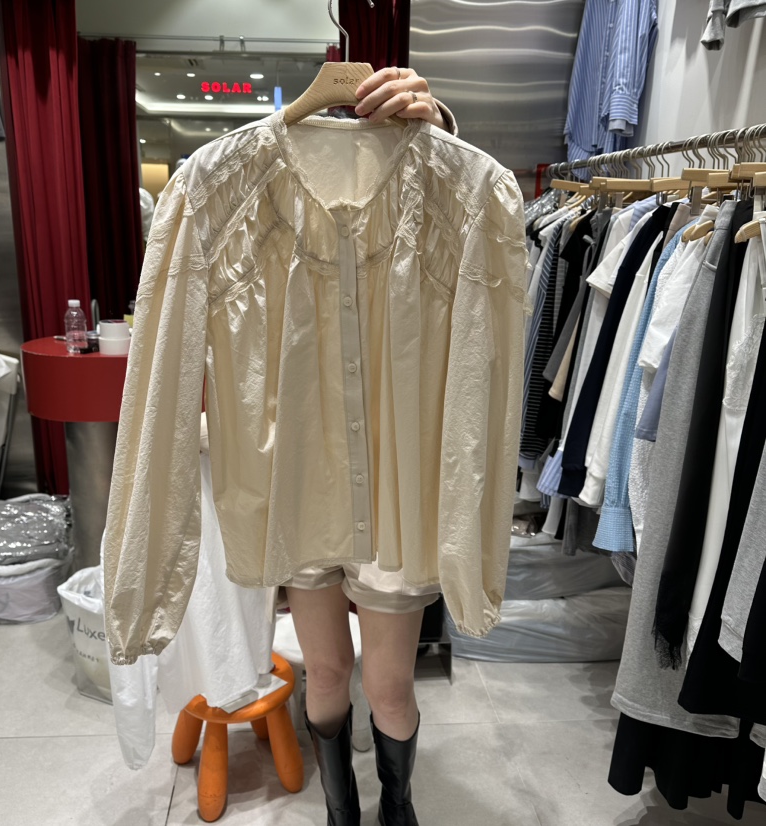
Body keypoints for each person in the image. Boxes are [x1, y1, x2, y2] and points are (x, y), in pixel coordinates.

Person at [285, 66, 457, 826]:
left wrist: (437, 126)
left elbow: (470, 216)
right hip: (302, 464)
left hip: (393, 470)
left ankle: (397, 805)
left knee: (389, 686)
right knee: (325, 670)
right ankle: (340, 811)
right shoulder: (253, 180)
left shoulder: (429, 176)